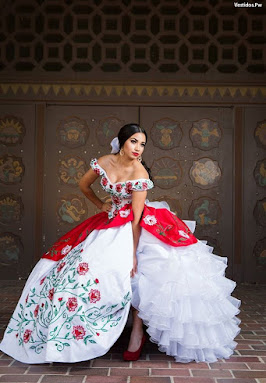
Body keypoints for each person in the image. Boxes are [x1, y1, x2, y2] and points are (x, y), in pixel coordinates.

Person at [0, 123, 240, 364]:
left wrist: (133, 254)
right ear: (122, 141)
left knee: (142, 270)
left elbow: (136, 219)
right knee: (68, 272)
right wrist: (100, 204)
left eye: (143, 144)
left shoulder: (140, 174)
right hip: (109, 220)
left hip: (135, 225)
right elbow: (84, 185)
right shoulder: (104, 162)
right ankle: (69, 334)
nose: (138, 148)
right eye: (134, 141)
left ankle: (137, 331)